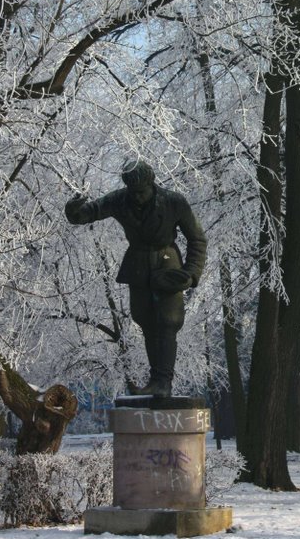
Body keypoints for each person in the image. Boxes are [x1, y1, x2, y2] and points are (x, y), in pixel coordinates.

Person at [64, 159, 207, 398]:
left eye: (141, 192)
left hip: (167, 266)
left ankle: (164, 381)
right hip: (138, 266)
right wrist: (74, 210)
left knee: (167, 322)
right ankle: (155, 380)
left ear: (151, 184)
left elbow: (197, 239)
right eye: (133, 192)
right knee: (146, 321)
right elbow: (90, 213)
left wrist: (192, 273)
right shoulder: (121, 199)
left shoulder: (174, 202)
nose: (137, 197)